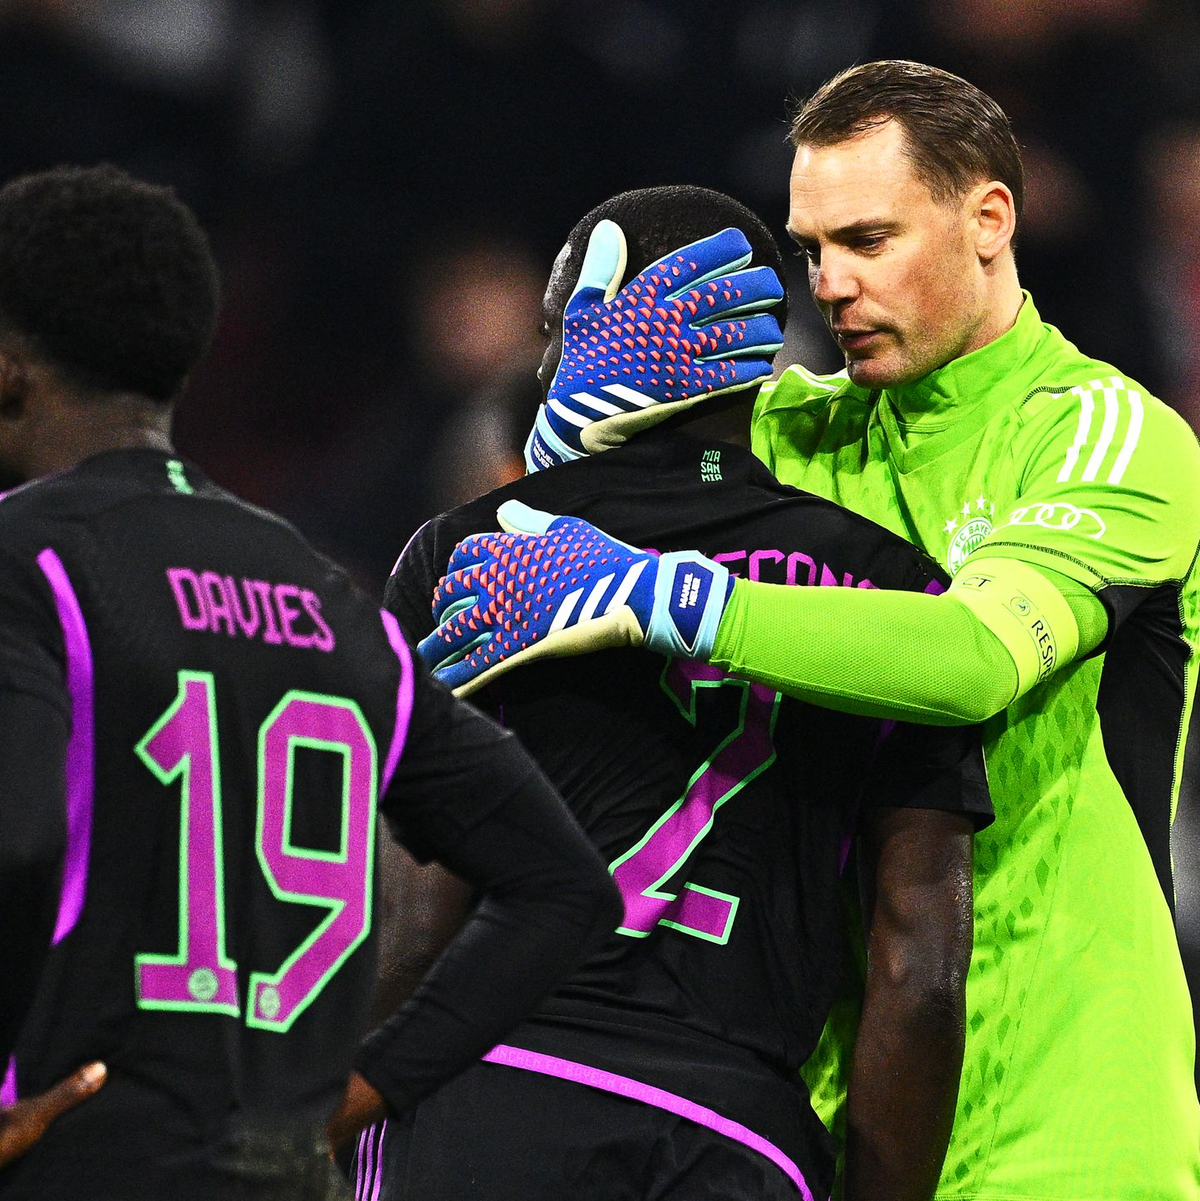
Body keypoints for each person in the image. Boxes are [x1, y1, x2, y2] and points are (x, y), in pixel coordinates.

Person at [421, 63, 1200, 1200]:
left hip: (1065, 1125)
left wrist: (656, 593)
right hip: (838, 1121)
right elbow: (548, 472)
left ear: (989, 220)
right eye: (811, 248)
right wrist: (578, 378)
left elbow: (975, 657)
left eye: (870, 240)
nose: (829, 285)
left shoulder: (1105, 436)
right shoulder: (795, 439)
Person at [0, 163, 621, 1200]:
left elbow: (16, 837)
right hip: (281, 1171)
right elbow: (561, 885)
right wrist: (355, 1095)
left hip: (83, 1161)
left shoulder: (27, 560)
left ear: (10, 370)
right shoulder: (330, 597)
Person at [361, 185, 992, 1201]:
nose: (540, 364)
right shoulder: (895, 592)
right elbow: (921, 970)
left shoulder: (482, 550)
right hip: (734, 1129)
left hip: (493, 1089)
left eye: (557, 328)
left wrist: (334, 1107)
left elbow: (415, 905)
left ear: (614, 327)